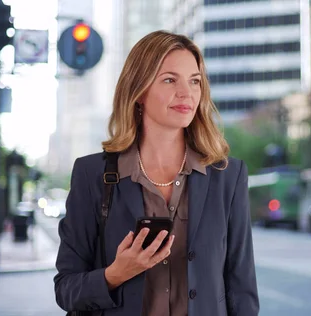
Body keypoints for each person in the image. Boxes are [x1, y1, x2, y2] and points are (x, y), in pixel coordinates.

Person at [54, 30, 259, 316]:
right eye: (169, 79)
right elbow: (66, 289)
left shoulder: (228, 175)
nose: (186, 93)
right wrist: (115, 273)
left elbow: (242, 291)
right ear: (139, 92)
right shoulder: (93, 175)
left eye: (195, 81)